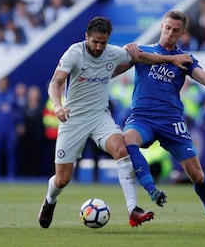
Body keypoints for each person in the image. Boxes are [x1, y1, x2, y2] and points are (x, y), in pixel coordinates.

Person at [38, 16, 192, 229]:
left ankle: (133, 210)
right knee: (62, 179)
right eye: (95, 42)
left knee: (122, 149)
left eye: (103, 42)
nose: (99, 47)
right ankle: (50, 201)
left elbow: (141, 57)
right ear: (86, 37)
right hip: (73, 119)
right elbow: (56, 83)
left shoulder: (113, 52)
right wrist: (57, 106)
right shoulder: (74, 53)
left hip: (100, 116)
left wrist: (171, 60)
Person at [114, 11, 205, 230]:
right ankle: (152, 190)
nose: (170, 33)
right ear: (162, 26)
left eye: (176, 30)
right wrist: (120, 55)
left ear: (182, 33)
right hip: (142, 117)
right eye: (168, 28)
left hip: (171, 122)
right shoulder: (142, 51)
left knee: (197, 174)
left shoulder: (185, 59)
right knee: (127, 139)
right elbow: (111, 71)